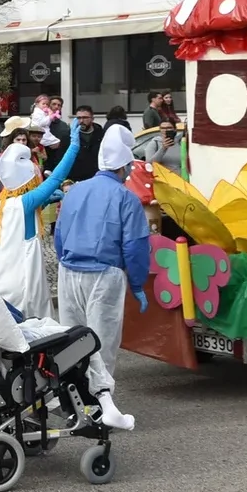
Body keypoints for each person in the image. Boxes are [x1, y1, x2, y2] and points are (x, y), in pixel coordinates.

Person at [53, 124, 149, 431]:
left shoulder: (75, 191)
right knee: (101, 343)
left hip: (68, 272)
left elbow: (59, 235)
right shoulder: (126, 198)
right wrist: (137, 284)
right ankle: (100, 407)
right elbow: (134, 246)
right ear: (124, 166)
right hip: (104, 275)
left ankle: (71, 403)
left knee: (71, 341)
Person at [0, 128, 82, 321]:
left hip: (1, 277)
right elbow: (56, 178)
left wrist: (45, 201)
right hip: (24, 279)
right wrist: (73, 146)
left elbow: (24, 213)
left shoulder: (3, 201)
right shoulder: (26, 202)